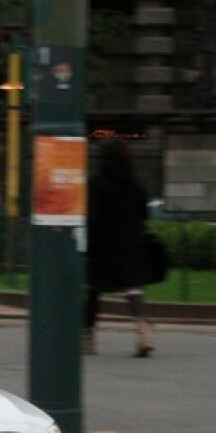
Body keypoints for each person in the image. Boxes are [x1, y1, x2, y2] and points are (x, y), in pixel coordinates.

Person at [84, 137, 153, 357]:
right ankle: (142, 330)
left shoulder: (96, 184)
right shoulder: (136, 185)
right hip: (132, 244)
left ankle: (88, 338)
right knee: (133, 289)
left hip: (103, 245)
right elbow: (144, 214)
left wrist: (88, 242)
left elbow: (92, 216)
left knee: (94, 290)